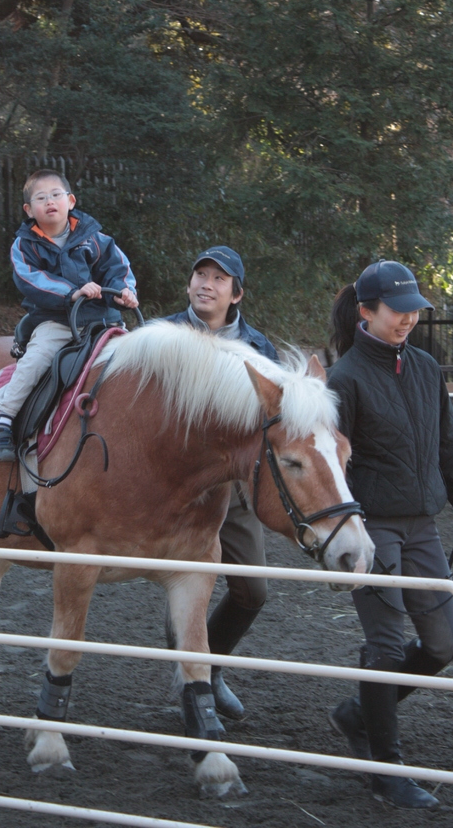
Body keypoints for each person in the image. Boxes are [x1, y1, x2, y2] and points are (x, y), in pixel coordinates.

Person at [327, 259, 453, 809]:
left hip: (422, 527)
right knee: (384, 648)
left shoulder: (427, 368)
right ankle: (386, 770)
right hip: (372, 528)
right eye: (399, 310)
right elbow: (331, 468)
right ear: (366, 312)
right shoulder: (345, 380)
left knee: (441, 643)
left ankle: (360, 713)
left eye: (414, 310)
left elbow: (447, 449)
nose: (409, 319)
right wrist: (345, 533)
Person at [165, 245, 278, 721]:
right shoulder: (163, 336)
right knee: (185, 591)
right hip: (176, 491)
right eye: (200, 274)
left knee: (253, 592)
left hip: (232, 490)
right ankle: (194, 675)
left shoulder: (259, 349)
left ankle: (209, 669)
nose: (206, 284)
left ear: (237, 294)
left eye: (219, 279)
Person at [0, 168, 138, 462]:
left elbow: (118, 268)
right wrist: (73, 292)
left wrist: (125, 292)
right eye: (41, 198)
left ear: (71, 200)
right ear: (29, 210)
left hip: (104, 321)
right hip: (57, 322)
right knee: (36, 360)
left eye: (56, 195)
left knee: (140, 362)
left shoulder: (96, 239)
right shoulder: (25, 245)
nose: (50, 201)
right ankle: (4, 419)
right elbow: (29, 279)